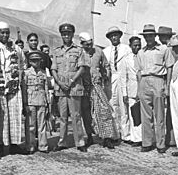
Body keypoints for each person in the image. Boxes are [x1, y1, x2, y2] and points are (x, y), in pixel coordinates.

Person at [0, 21, 26, 155]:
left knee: (14, 115)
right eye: (2, 32)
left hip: (13, 86)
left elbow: (22, 63)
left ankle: (14, 145)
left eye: (7, 32)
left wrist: (18, 75)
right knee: (0, 117)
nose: (5, 35)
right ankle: (1, 145)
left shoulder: (15, 48)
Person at [136, 24, 174, 153]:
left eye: (151, 35)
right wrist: (139, 88)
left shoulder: (164, 49)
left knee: (159, 115)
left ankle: (161, 144)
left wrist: (167, 86)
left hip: (158, 80)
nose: (148, 38)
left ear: (155, 36)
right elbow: (139, 71)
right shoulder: (141, 52)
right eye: (146, 36)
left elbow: (169, 67)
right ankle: (147, 143)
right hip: (144, 81)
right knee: (145, 115)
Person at [51, 23, 88, 152]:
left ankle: (80, 142)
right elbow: (54, 69)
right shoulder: (57, 51)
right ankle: (62, 142)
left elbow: (82, 68)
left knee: (76, 115)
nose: (66, 35)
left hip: (74, 87)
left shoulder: (78, 50)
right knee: (63, 116)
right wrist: (60, 83)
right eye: (63, 33)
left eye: (68, 33)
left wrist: (72, 81)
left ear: (72, 34)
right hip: (61, 88)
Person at [79, 32, 118, 149]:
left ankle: (108, 138)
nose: (89, 46)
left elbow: (106, 65)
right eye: (86, 45)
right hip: (84, 87)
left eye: (90, 44)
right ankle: (89, 136)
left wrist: (106, 75)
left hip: (97, 86)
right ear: (82, 44)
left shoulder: (98, 52)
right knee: (86, 113)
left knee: (104, 110)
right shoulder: (79, 53)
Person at [103, 26, 131, 144]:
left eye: (116, 35)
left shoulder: (126, 49)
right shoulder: (106, 51)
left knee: (124, 107)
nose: (114, 37)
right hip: (111, 79)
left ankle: (126, 135)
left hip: (123, 78)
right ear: (109, 38)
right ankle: (115, 134)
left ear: (120, 36)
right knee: (112, 106)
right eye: (111, 36)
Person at [22, 51, 50, 154]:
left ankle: (43, 146)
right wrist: (25, 103)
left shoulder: (43, 73)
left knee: (42, 125)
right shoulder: (26, 73)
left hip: (41, 100)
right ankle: (30, 146)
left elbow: (46, 88)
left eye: (37, 60)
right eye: (33, 60)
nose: (36, 63)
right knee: (30, 125)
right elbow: (24, 89)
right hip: (30, 101)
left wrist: (47, 102)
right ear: (29, 61)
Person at [120, 36, 142, 146]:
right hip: (132, 89)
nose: (137, 47)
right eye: (135, 45)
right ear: (130, 46)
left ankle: (145, 138)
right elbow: (124, 77)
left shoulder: (144, 56)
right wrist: (124, 93)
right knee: (133, 114)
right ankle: (135, 138)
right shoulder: (126, 59)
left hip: (144, 88)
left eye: (139, 45)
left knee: (144, 115)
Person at [157, 26, 176, 147]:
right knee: (172, 110)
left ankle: (171, 138)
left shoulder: (167, 49)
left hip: (170, 81)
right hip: (173, 81)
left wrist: (167, 85)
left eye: (160, 36)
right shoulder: (175, 47)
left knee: (171, 111)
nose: (159, 38)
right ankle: (172, 137)